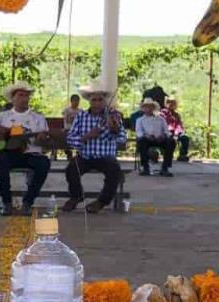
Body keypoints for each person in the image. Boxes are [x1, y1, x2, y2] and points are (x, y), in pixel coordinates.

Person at [0, 82, 50, 216]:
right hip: (10, 153)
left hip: (31, 154)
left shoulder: (38, 118)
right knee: (1, 162)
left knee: (44, 163)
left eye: (27, 95)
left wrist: (42, 139)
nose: (24, 98)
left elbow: (46, 144)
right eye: (21, 95)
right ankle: (7, 203)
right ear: (13, 98)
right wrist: (3, 131)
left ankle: (27, 203)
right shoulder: (3, 116)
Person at [62, 81, 126, 214]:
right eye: (94, 100)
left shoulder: (113, 116)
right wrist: (86, 137)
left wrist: (115, 129)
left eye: (100, 100)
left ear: (104, 101)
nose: (97, 103)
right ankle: (76, 196)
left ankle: (102, 201)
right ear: (89, 101)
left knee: (114, 171)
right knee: (71, 169)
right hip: (85, 156)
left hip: (106, 157)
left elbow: (122, 138)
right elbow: (70, 138)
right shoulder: (81, 116)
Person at [135, 98, 176, 177]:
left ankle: (165, 168)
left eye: (150, 107)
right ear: (143, 108)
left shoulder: (160, 119)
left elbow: (166, 131)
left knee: (171, 142)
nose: (148, 109)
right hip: (147, 139)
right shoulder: (140, 120)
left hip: (160, 139)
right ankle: (146, 168)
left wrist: (164, 136)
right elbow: (139, 133)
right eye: (146, 107)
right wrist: (147, 136)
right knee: (141, 141)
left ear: (153, 108)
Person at [161, 97, 190, 162]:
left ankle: (182, 155)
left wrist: (178, 132)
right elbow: (164, 125)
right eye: (169, 102)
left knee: (185, 138)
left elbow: (179, 125)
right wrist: (170, 131)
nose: (171, 104)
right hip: (166, 132)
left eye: (173, 103)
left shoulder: (177, 115)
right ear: (166, 104)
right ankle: (168, 155)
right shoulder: (162, 114)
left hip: (176, 132)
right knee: (170, 139)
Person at [62, 94, 83, 160]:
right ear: (71, 101)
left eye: (77, 101)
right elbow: (67, 120)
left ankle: (79, 153)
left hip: (78, 130)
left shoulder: (81, 111)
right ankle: (68, 153)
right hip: (68, 129)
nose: (76, 102)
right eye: (75, 101)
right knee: (64, 136)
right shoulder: (66, 110)